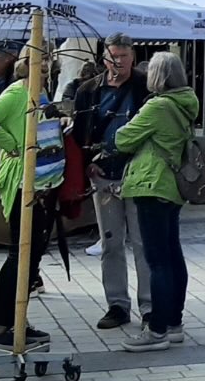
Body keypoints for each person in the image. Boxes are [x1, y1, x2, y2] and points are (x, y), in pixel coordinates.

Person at [0, 51, 64, 351]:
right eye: (43, 59)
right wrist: (13, 145)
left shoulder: (41, 92)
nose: (48, 65)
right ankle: (0, 325)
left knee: (32, 256)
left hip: (43, 180)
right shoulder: (17, 91)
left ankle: (17, 321)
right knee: (20, 253)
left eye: (51, 60)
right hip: (23, 181)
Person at [113, 52, 198, 352]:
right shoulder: (186, 103)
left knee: (157, 261)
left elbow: (123, 139)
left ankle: (157, 329)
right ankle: (174, 322)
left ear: (157, 77)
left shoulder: (158, 106)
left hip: (151, 183)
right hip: (172, 186)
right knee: (172, 255)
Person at [72, 33, 152, 330]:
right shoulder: (88, 90)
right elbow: (80, 132)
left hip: (139, 174)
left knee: (143, 243)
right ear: (103, 58)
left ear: (132, 57)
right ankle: (117, 304)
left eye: (122, 56)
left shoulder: (146, 86)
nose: (116, 62)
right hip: (103, 176)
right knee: (110, 243)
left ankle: (149, 306)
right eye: (111, 57)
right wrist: (87, 164)